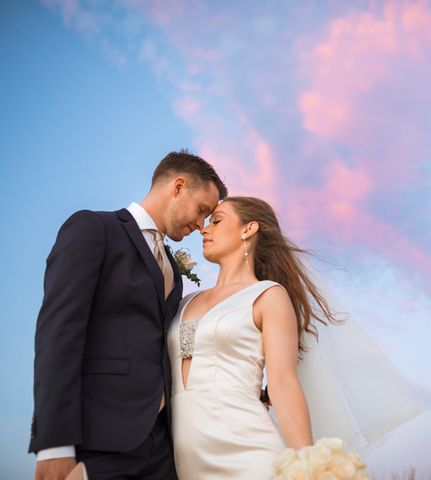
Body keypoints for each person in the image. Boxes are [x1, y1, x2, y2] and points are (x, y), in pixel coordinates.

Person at [29, 150, 227, 480]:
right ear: (178, 187)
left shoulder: (174, 273)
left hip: (163, 448)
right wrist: (54, 444)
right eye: (202, 210)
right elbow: (59, 333)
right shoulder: (94, 228)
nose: (201, 224)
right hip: (98, 438)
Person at [168, 196, 342, 479]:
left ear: (248, 229)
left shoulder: (268, 296)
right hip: (185, 458)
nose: (204, 229)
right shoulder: (185, 300)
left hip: (248, 451)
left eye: (217, 220)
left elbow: (283, 383)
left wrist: (309, 466)